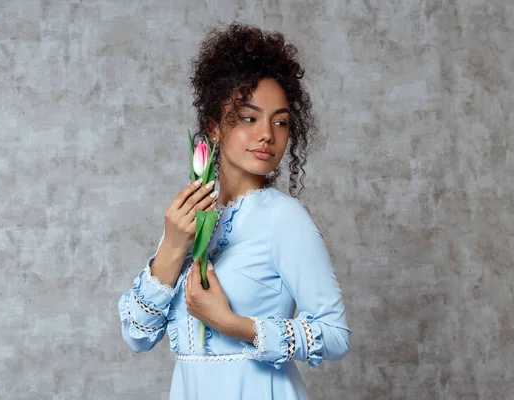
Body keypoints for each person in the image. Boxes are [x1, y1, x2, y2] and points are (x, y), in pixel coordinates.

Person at [118, 22, 351, 399]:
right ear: (214, 128)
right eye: (248, 117)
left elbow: (336, 334)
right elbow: (137, 336)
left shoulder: (284, 218)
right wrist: (173, 245)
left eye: (280, 122)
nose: (267, 134)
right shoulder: (189, 214)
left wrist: (230, 323)